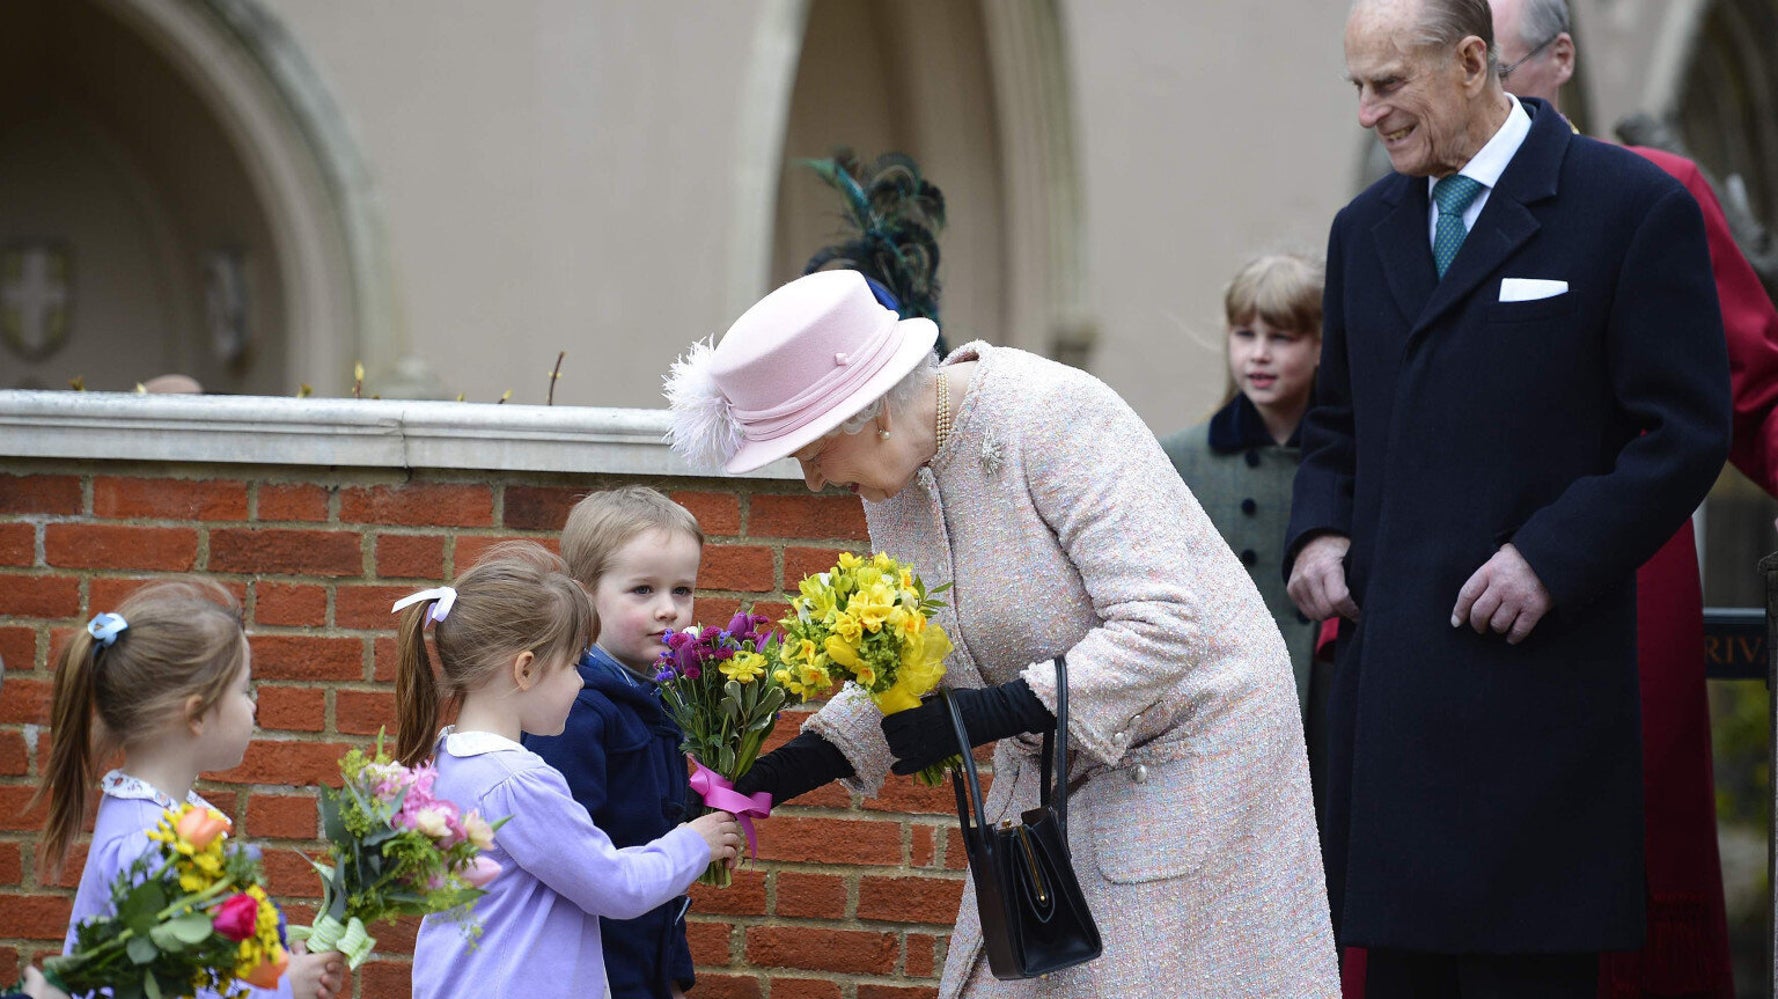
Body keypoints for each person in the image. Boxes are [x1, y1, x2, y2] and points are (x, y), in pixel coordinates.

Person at [664, 268, 1338, 998]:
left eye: (812, 454)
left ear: (868, 412)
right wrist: (773, 778)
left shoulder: (1053, 415)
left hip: (1189, 748)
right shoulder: (896, 473)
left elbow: (1165, 624)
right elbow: (918, 653)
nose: (813, 482)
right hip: (1057, 761)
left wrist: (984, 713)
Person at [1288, 0, 1731, 995]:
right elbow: (1336, 424)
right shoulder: (1363, 229)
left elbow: (1685, 430)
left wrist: (1550, 556)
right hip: (1393, 722)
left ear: (1470, 62)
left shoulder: (1626, 206)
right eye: (1356, 87)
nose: (1367, 113)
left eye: (1387, 85)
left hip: (1535, 719)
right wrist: (1317, 531)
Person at [1490, 3, 1778, 995]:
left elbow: (1749, 391)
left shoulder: (1656, 193)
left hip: (1614, 587)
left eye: (1494, 69)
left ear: (1559, 59)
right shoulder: (1407, 212)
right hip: (1449, 600)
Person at [393, 542, 742, 998]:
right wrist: (693, 844)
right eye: (575, 663)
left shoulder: (446, 760)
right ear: (525, 670)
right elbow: (614, 887)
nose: (581, 680)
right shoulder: (517, 783)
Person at [34, 580, 345, 999]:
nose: (252, 705)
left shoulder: (154, 822)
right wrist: (286, 986)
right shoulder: (151, 847)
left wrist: (279, 967)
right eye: (243, 690)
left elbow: (204, 964)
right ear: (196, 714)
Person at [523, 487, 703, 999]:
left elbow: (653, 821)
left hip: (647, 957)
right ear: (584, 598)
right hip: (595, 968)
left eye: (682, 590)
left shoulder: (659, 692)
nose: (669, 610)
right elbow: (569, 859)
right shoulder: (576, 709)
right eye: (643, 590)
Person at [1158, 253, 1328, 791]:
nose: (1258, 354)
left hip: (1328, 714)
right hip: (1221, 717)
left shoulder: (1352, 469)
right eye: (1245, 333)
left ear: (1321, 344)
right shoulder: (1179, 460)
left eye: (1281, 337)